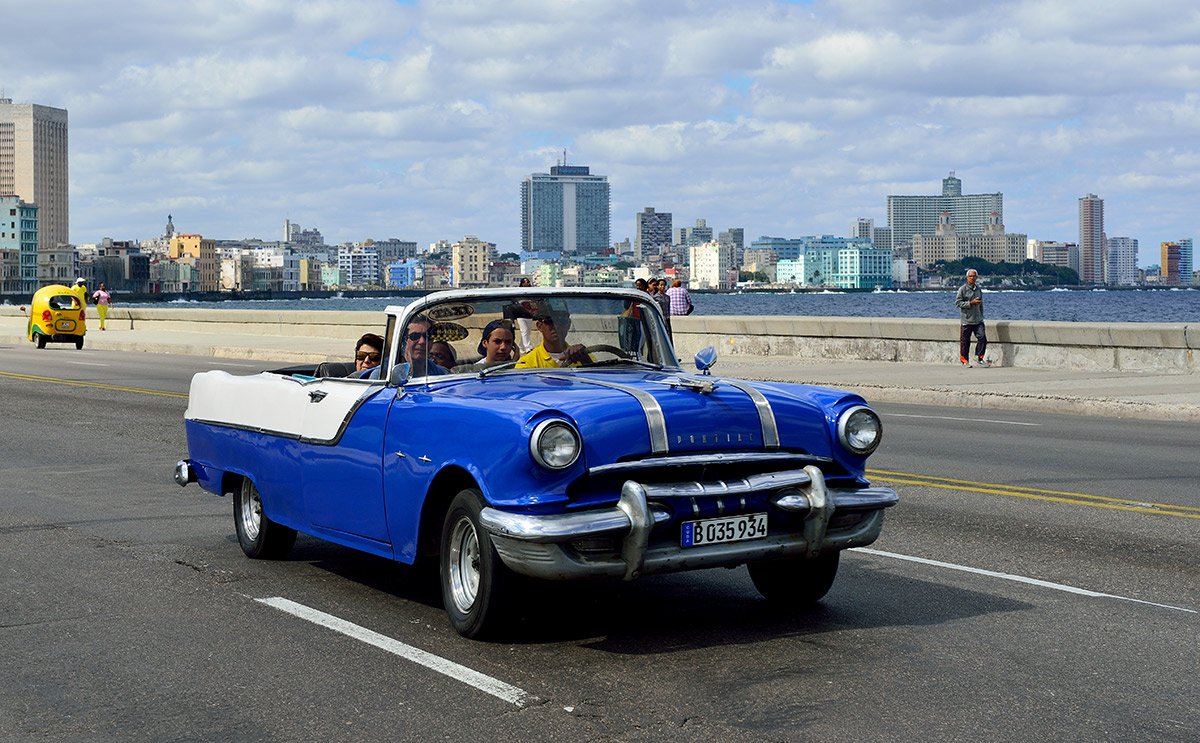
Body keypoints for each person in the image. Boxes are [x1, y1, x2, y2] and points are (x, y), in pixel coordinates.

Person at [515, 303, 591, 368]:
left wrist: (586, 361)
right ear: (539, 326)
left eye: (562, 320)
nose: (556, 325)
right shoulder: (526, 364)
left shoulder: (582, 356)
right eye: (550, 321)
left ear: (568, 324)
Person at [391, 314, 450, 379]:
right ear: (404, 340)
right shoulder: (385, 373)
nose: (422, 342)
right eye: (415, 336)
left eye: (427, 336)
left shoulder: (443, 375)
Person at [955, 269, 988, 367]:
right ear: (967, 278)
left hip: (978, 320)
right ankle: (964, 361)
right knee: (965, 342)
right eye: (970, 276)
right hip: (966, 320)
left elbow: (981, 304)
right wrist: (970, 303)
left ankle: (980, 358)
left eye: (974, 276)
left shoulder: (978, 289)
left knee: (982, 338)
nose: (972, 278)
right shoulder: (962, 289)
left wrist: (981, 315)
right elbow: (958, 303)